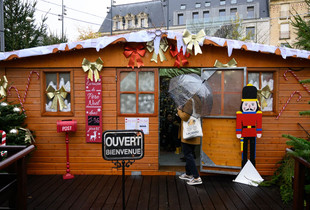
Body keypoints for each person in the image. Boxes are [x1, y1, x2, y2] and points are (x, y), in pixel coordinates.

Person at [236, 84, 262, 167]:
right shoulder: (240, 114)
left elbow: (259, 123)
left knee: (252, 150)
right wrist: (238, 132)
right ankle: (244, 165)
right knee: (244, 150)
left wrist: (259, 132)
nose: (249, 107)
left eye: (252, 104)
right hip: (244, 132)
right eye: (246, 104)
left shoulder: (257, 114)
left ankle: (252, 165)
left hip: (253, 132)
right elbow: (239, 123)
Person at [177, 100, 202, 185]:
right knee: (189, 154)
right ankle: (188, 174)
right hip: (193, 134)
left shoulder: (189, 102)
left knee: (188, 155)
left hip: (188, 135)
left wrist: (179, 110)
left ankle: (196, 177)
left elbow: (185, 117)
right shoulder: (197, 101)